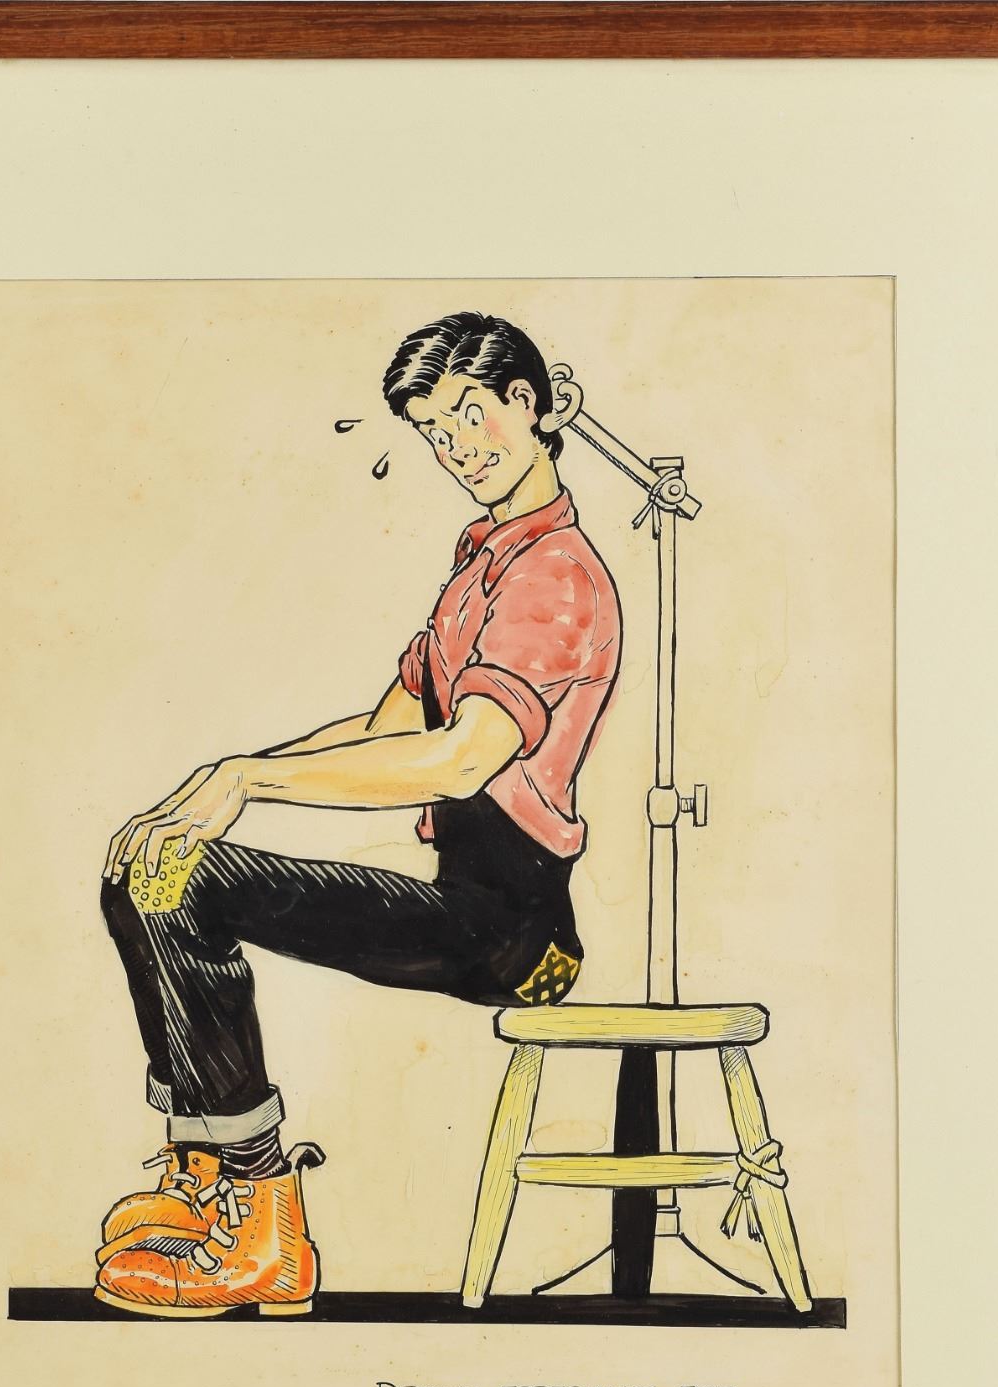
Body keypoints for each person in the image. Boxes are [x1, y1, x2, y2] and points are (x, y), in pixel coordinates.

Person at [93, 311, 622, 1318]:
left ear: (527, 403)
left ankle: (264, 1225)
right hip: (465, 906)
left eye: (469, 414)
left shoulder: (554, 577)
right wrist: (208, 786)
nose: (456, 446)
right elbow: (386, 728)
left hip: (511, 933)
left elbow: (459, 760)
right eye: (433, 430)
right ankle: (205, 1172)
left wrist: (245, 782)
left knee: (188, 884)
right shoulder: (482, 566)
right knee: (151, 868)